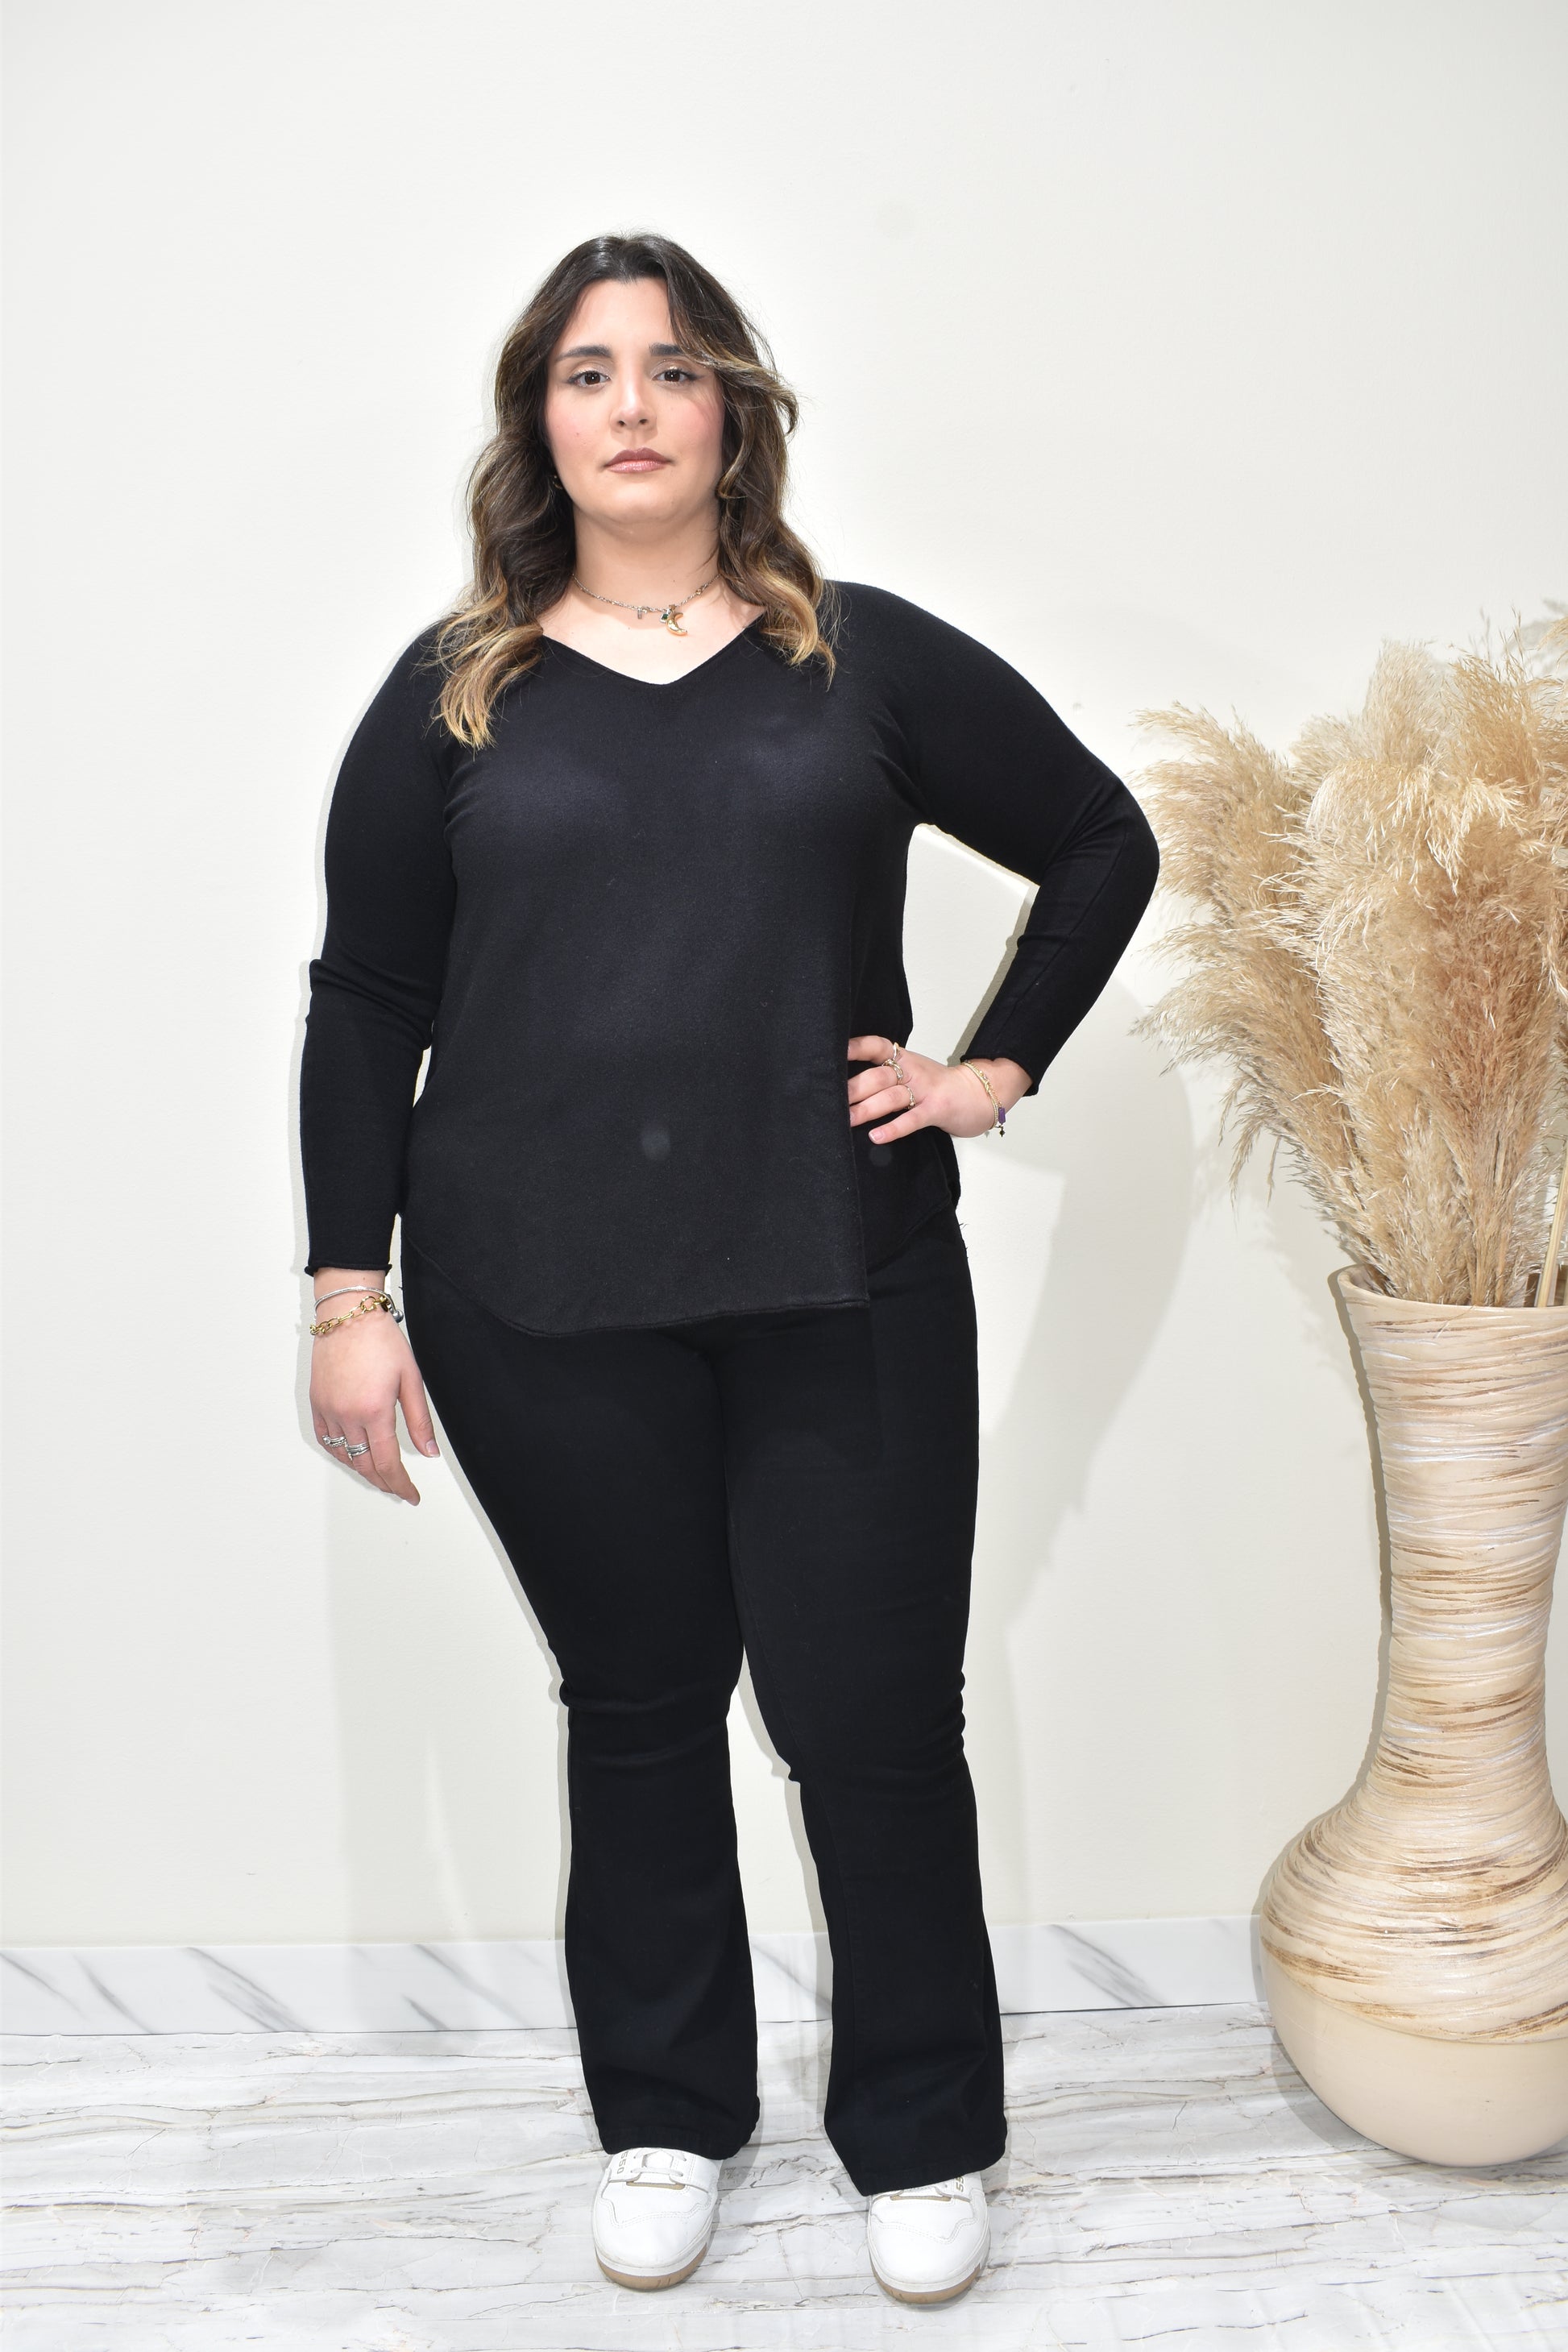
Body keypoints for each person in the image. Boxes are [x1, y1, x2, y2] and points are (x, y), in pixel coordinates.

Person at [299, 231, 1158, 2306]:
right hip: (529, 1295)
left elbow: (1099, 836)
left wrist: (986, 1070)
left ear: (730, 414)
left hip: (839, 1274)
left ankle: (924, 2132)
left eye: (671, 367)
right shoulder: (450, 693)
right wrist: (347, 1293)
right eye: (588, 371)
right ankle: (668, 2113)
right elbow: (367, 999)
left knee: (873, 1722)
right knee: (639, 1708)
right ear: (538, 422)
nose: (631, 404)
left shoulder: (859, 660)